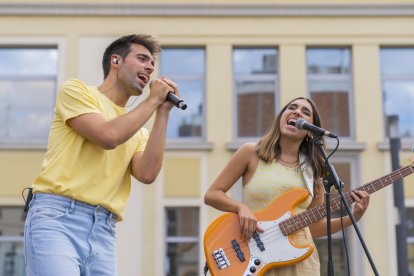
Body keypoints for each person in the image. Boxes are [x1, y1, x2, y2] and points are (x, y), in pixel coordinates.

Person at [24, 34, 178, 276]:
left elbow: (147, 174)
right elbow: (108, 136)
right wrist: (152, 100)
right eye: (142, 58)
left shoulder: (138, 130)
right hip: (58, 219)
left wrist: (163, 113)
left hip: (103, 230)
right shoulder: (77, 92)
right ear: (116, 61)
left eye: (152, 64)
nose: (150, 67)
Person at [204, 97, 370, 275]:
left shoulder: (313, 170)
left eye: (306, 112)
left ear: (310, 131)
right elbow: (212, 194)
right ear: (281, 118)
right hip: (253, 258)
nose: (297, 112)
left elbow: (312, 227)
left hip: (300, 265)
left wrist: (351, 218)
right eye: (292, 107)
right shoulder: (251, 153)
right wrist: (240, 207)